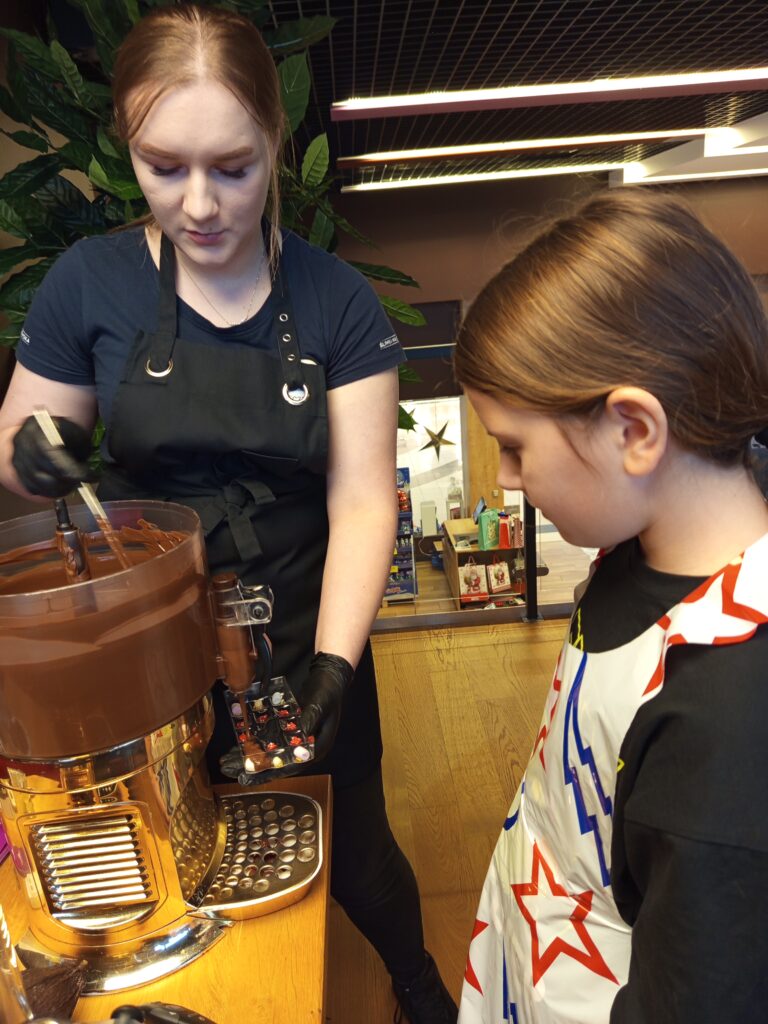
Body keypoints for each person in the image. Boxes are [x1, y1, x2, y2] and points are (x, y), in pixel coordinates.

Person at [0, 6, 457, 1022]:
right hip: (145, 641)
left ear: (276, 145)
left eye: (234, 169)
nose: (200, 205)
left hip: (302, 618)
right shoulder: (90, 284)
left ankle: (421, 986)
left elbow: (359, 498)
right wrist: (31, 454)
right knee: (171, 850)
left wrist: (335, 665)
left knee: (355, 849)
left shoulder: (336, 301)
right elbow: (23, 451)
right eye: (164, 169)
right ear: (129, 149)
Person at [452, 189, 768, 1023]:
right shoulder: (642, 546)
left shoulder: (725, 718)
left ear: (634, 431)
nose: (507, 481)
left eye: (514, 448)